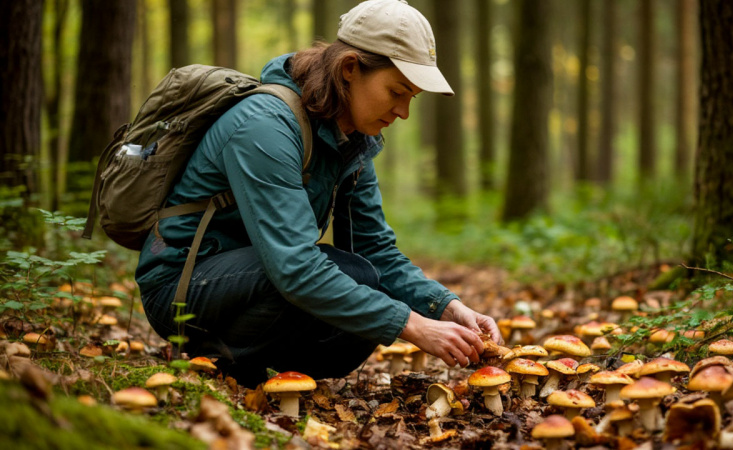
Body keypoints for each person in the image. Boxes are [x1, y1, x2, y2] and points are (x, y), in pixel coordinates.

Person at [135, 0, 501, 387]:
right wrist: (411, 326)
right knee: (353, 281)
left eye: (412, 97)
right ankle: (216, 359)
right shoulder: (265, 125)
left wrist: (446, 308)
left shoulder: (354, 141)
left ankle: (262, 373)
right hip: (181, 291)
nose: (404, 112)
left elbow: (374, 249)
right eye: (397, 91)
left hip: (255, 278)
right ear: (349, 69)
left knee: (364, 286)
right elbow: (295, 267)